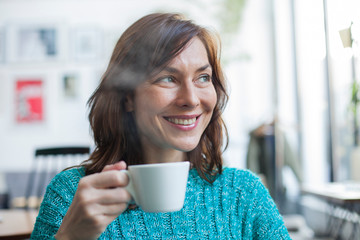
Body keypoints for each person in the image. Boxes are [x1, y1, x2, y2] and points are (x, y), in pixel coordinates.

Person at [31, 13, 291, 239]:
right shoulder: (71, 194)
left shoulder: (243, 193)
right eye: (168, 78)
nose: (191, 99)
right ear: (127, 96)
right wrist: (70, 237)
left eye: (203, 77)